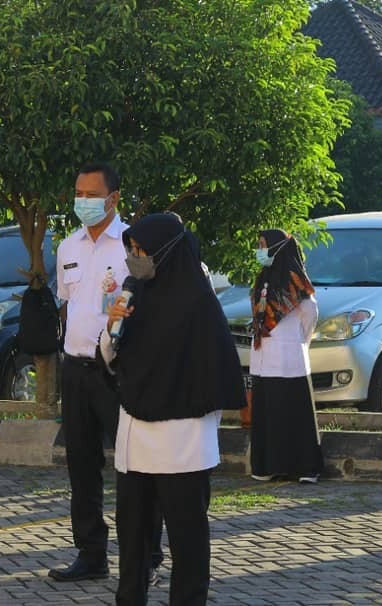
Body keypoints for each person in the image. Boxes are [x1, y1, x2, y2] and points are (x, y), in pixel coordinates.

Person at [100, 212, 244, 605]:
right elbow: (115, 360)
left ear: (166, 252)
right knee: (132, 536)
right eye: (130, 250)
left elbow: (214, 372)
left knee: (187, 538)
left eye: (141, 250)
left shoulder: (198, 304)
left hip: (182, 443)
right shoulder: (135, 294)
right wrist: (112, 327)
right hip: (136, 437)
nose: (134, 257)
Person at [50, 163, 162, 583]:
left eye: (90, 194)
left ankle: (147, 557)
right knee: (81, 465)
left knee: (136, 468)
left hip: (118, 372)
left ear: (113, 198)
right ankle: (91, 554)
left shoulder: (134, 246)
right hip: (75, 368)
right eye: (77, 193)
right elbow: (68, 305)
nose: (82, 202)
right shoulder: (68, 248)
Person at [248, 229, 324, 484]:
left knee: (293, 413)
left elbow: (309, 318)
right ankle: (268, 466)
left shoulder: (297, 285)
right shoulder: (262, 279)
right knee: (267, 414)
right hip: (262, 357)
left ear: (278, 249)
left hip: (290, 358)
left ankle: (304, 468)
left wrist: (294, 342)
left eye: (263, 245)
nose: (260, 251)